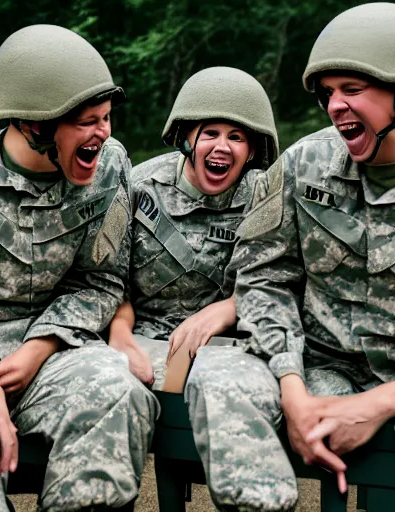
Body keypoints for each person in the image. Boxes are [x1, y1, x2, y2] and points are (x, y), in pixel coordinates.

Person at [222, 3, 395, 511]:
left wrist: (383, 403)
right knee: (220, 381)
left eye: (352, 90)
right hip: (317, 366)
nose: (334, 106)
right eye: (328, 93)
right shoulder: (302, 164)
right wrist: (291, 387)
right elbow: (260, 279)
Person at [0, 24, 157, 511]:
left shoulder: (110, 166)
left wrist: (38, 348)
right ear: (34, 124)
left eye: (107, 118)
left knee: (117, 392)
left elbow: (101, 278)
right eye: (87, 122)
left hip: (51, 355)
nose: (103, 134)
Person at [108, 67, 281, 508]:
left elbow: (280, 279)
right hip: (145, 338)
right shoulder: (138, 188)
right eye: (210, 133)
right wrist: (121, 338)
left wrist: (230, 307)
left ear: (253, 149)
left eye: (237, 137)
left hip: (228, 350)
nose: (222, 147)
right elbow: (110, 280)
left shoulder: (267, 196)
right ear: (186, 137)